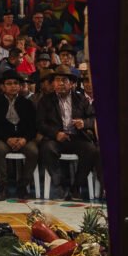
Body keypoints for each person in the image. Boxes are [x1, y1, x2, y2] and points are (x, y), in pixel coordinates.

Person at [34, 68, 99, 196]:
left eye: (64, 80)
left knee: (91, 150)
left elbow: (93, 118)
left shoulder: (81, 99)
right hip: (55, 138)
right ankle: (60, 184)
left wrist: (84, 123)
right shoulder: (45, 100)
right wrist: (55, 133)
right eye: (57, 80)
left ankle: (76, 186)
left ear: (72, 84)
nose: (60, 83)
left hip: (77, 137)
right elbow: (40, 123)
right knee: (47, 148)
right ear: (53, 84)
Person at [0, 70, 41, 199]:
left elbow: (33, 127)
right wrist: (7, 139)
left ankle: (23, 185)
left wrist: (24, 139)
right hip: (4, 139)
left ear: (19, 86)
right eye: (9, 83)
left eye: (16, 83)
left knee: (33, 151)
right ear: (3, 86)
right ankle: (3, 187)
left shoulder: (27, 103)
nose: (13, 86)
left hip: (24, 139)